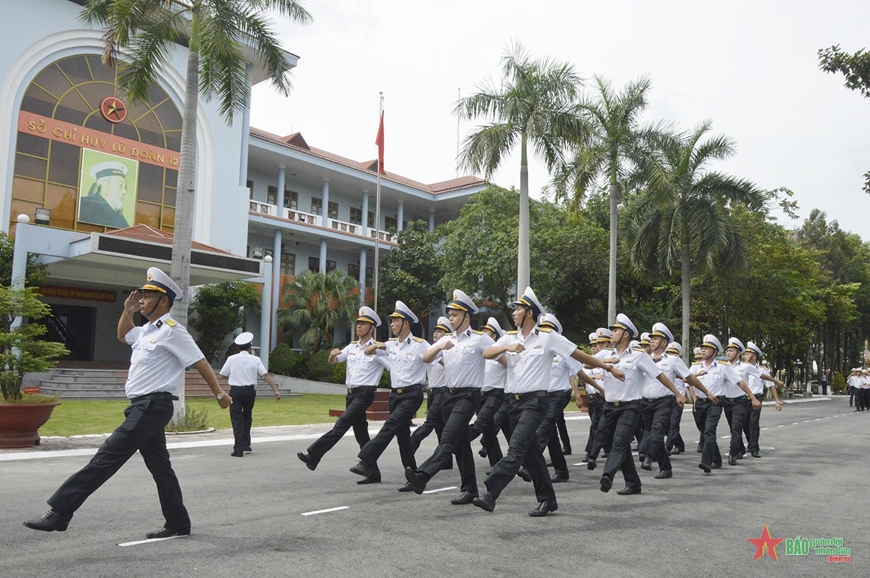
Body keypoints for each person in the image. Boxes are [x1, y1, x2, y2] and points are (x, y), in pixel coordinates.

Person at [23, 267, 232, 537]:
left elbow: (200, 360)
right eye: (141, 296)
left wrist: (218, 394)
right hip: (142, 406)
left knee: (105, 458)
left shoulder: (173, 331)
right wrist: (127, 310)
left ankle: (60, 512)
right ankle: (178, 523)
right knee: (161, 468)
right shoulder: (146, 331)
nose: (141, 299)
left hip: (152, 406)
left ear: (163, 301)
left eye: (147, 296)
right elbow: (123, 336)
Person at [473, 288, 624, 516]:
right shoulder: (510, 337)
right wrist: (506, 347)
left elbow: (577, 354)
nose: (514, 312)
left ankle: (490, 494)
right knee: (531, 454)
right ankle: (548, 500)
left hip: (535, 402)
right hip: (513, 402)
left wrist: (607, 366)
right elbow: (487, 353)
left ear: (530, 313)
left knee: (515, 450)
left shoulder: (547, 337)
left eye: (519, 309)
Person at [404, 289, 493, 506]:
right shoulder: (447, 340)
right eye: (450, 314)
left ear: (466, 316)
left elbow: (500, 355)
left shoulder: (480, 339)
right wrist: (440, 346)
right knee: (461, 444)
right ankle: (470, 489)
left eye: (454, 314)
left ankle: (422, 475)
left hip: (468, 396)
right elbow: (425, 357)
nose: (451, 318)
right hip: (447, 396)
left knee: (448, 440)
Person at [593, 314, 684, 496]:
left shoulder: (639, 356)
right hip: (610, 406)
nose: (612, 333)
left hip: (630, 407)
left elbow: (659, 375)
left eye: (616, 330)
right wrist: (607, 363)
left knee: (620, 442)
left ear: (626, 334)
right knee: (617, 444)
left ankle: (607, 476)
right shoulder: (604, 354)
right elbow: (584, 364)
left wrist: (677, 392)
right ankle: (633, 483)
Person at [297, 307, 384, 482]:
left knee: (341, 424)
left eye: (363, 324)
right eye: (358, 323)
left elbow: (392, 365)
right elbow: (335, 361)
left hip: (365, 393)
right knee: (361, 432)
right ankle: (373, 472)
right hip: (351, 394)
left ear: (372, 328)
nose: (359, 327)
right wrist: (331, 356)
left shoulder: (378, 349)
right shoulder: (352, 347)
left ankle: (314, 455)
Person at [351, 301, 428, 487]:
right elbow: (368, 351)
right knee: (402, 438)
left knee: (390, 425)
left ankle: (367, 459)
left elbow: (437, 360)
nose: (392, 325)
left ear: (406, 323)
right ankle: (414, 477)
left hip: (413, 394)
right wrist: (377, 346)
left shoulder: (420, 344)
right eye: (391, 321)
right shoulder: (390, 344)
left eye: (395, 321)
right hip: (395, 395)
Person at [642, 323, 715, 479]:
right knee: (650, 434)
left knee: (656, 432)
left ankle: (648, 457)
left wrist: (707, 392)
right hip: (645, 402)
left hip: (664, 401)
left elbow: (689, 377)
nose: (652, 342)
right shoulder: (644, 358)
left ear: (664, 342)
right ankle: (666, 468)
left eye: (655, 339)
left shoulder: (673, 360)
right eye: (652, 339)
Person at [692, 335, 760, 474]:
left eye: (707, 348)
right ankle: (716, 459)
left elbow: (740, 382)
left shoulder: (723, 367)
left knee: (710, 430)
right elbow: (686, 380)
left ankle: (706, 461)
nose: (703, 351)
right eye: (702, 348)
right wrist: (697, 376)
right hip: (700, 403)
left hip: (716, 402)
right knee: (704, 432)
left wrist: (752, 397)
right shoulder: (695, 367)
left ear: (715, 352)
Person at [536, 313, 582, 484]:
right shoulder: (540, 350)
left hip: (559, 395)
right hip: (544, 395)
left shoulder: (564, 352)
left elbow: (578, 370)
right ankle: (561, 470)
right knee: (551, 434)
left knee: (546, 425)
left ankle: (529, 461)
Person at [220, 332, 281, 457]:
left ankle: (238, 448)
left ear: (238, 347)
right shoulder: (256, 359)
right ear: (250, 347)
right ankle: (246, 443)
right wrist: (275, 390)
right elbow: (265, 375)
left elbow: (223, 374)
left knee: (237, 419)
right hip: (250, 391)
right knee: (247, 416)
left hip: (236, 391)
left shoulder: (232, 359)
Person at [409, 316, 452, 466]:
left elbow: (449, 364)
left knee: (430, 423)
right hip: (432, 392)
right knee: (440, 425)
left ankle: (411, 444)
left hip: (442, 391)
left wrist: (436, 355)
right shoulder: (430, 350)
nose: (436, 333)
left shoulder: (447, 351)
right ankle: (446, 460)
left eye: (440, 331)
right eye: (435, 330)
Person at [468, 317, 508, 469]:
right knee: (491, 431)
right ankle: (498, 464)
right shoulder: (481, 353)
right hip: (482, 395)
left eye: (487, 332)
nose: (483, 333)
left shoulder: (500, 353)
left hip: (498, 394)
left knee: (480, 425)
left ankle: (460, 440)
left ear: (494, 337)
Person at [721, 337, 764, 463]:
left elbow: (761, 375)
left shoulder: (745, 367)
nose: (728, 353)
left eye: (731, 350)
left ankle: (734, 453)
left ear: (738, 353)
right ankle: (740, 448)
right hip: (727, 402)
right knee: (732, 427)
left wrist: (775, 381)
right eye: (727, 350)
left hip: (741, 401)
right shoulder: (722, 366)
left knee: (737, 427)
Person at [740, 341, 782, 457]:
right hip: (743, 398)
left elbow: (771, 386)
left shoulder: (762, 370)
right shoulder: (741, 368)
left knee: (753, 423)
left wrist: (777, 401)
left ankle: (754, 448)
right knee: (743, 423)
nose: (745, 356)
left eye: (747, 354)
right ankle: (750, 443)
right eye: (745, 354)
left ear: (754, 356)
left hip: (756, 398)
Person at [78, 161, 131, 228]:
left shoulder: (118, 215)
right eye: (120, 185)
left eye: (125, 187)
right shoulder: (83, 204)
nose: (124, 191)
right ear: (104, 184)